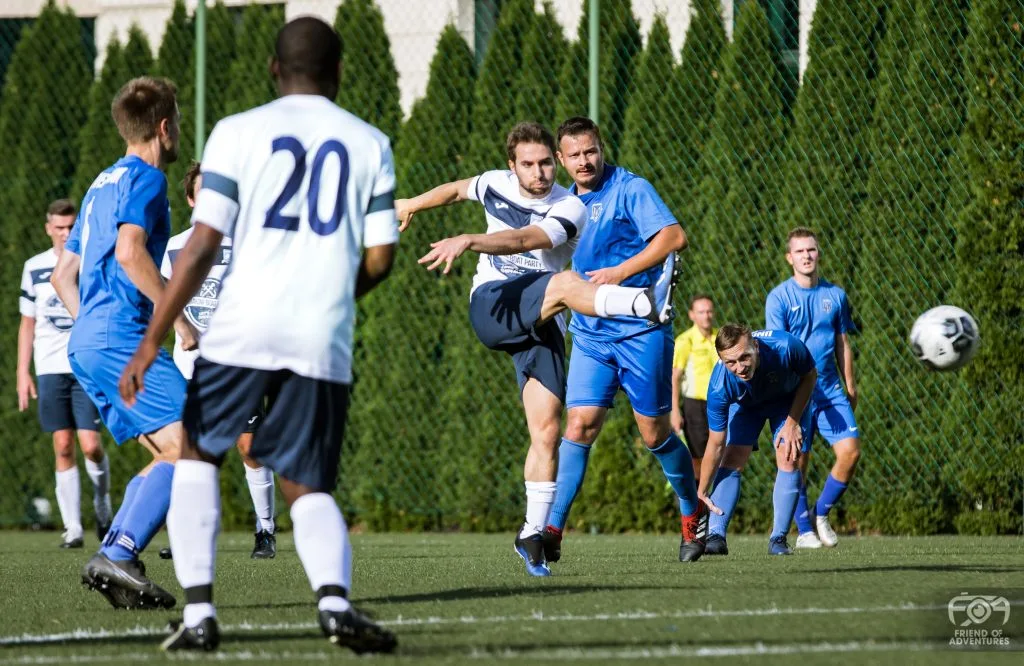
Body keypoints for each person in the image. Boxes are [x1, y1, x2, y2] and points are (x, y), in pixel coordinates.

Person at [118, 17, 397, 654]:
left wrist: (152, 338)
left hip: (240, 328)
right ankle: (333, 603)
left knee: (196, 456)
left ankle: (198, 614)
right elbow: (379, 259)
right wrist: (327, 297)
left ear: (275, 70)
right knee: (308, 480)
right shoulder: (369, 141)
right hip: (319, 333)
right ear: (340, 71)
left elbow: (201, 246)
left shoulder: (237, 132)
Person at [396, 121, 671, 577]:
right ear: (512, 166)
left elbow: (528, 240)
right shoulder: (495, 184)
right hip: (495, 304)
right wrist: (412, 204)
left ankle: (531, 533)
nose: (539, 172)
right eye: (529, 164)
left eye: (546, 162)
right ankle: (640, 304)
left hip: (543, 319)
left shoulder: (569, 206)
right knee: (566, 284)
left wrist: (470, 239)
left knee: (547, 432)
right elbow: (456, 189)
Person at [51, 76, 193, 610]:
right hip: (123, 339)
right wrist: (176, 321)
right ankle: (121, 551)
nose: (179, 129)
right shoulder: (148, 179)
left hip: (88, 340)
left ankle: (119, 556)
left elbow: (64, 277)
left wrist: (92, 324)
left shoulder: (99, 184)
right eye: (176, 120)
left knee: (168, 451)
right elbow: (133, 254)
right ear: (163, 126)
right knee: (194, 446)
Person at [544, 116, 707, 564]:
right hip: (591, 334)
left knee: (654, 433)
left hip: (641, 331)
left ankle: (692, 514)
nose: (584, 161)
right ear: (561, 160)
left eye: (590, 151)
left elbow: (675, 237)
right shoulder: (559, 203)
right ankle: (552, 529)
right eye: (574, 155)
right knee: (578, 426)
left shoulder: (629, 188)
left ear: (601, 148)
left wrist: (621, 272)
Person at [159, 161, 276, 560]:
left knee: (249, 447)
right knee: (188, 450)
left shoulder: (246, 241)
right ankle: (186, 534)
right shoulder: (174, 247)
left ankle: (266, 530)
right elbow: (163, 294)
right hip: (189, 364)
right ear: (191, 199)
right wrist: (178, 330)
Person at [18, 199, 112, 548]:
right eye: (59, 228)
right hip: (49, 368)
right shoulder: (34, 267)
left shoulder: (89, 262)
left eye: (71, 227)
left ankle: (103, 506)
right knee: (62, 445)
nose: (65, 233)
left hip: (85, 363)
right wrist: (22, 373)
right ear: (48, 228)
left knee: (90, 446)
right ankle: (73, 527)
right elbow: (27, 324)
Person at [766, 227, 860, 549]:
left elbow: (842, 342)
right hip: (796, 393)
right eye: (800, 251)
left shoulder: (836, 295)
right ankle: (804, 530)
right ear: (789, 258)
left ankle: (821, 513)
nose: (807, 256)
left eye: (812, 250)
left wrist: (850, 383)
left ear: (818, 253)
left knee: (850, 452)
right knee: (797, 461)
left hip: (831, 390)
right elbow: (778, 349)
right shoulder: (779, 297)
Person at [697, 324, 817, 556]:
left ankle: (778, 539)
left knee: (789, 455)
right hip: (747, 406)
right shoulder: (719, 386)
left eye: (745, 357)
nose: (740, 368)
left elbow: (810, 375)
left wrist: (792, 423)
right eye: (731, 362)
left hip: (787, 401)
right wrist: (701, 490)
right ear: (721, 360)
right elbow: (716, 443)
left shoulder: (786, 347)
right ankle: (715, 535)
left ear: (757, 347)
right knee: (731, 458)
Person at [670, 294, 718, 478]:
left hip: (718, 404)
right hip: (695, 406)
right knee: (698, 458)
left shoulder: (719, 337)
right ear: (692, 315)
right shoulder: (685, 341)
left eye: (709, 311)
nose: (706, 316)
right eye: (701, 312)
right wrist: (675, 411)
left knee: (719, 456)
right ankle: (695, 503)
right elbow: (675, 377)